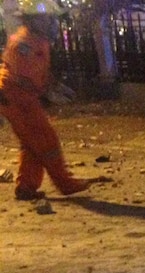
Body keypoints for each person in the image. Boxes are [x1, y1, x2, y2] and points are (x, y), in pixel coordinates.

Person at [0, 0, 93, 201]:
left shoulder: (32, 40)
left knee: (33, 143)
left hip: (17, 97)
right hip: (18, 98)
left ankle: (26, 186)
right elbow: (22, 77)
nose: (50, 22)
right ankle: (65, 183)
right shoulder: (26, 43)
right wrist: (45, 91)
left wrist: (47, 87)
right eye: (46, 18)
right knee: (46, 140)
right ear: (32, 20)